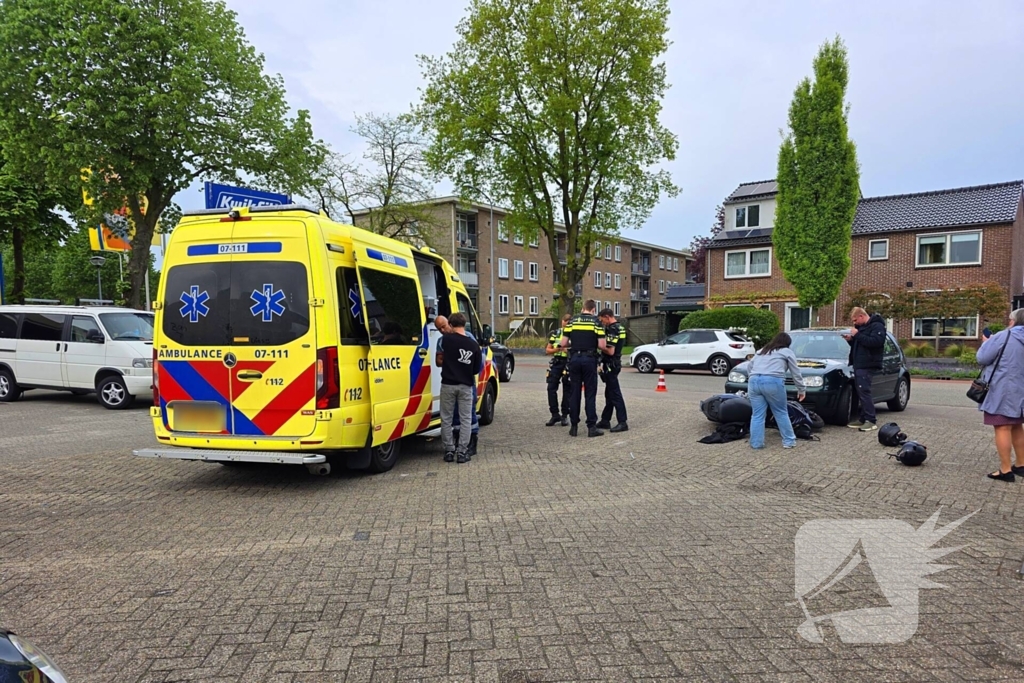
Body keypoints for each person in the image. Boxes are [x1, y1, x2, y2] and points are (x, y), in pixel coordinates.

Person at [977, 308, 1024, 482]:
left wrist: (986, 342)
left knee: (1002, 426)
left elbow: (982, 358)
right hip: (1021, 390)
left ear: (1013, 320)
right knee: (1017, 425)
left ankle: (1005, 470)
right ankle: (1021, 464)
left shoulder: (1004, 336)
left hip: (1002, 389)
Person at [435, 312, 481, 463]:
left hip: (448, 383)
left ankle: (449, 450)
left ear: (451, 324)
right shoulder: (473, 343)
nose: (442, 330)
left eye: (444, 326)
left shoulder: (444, 340)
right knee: (465, 418)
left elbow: (439, 360)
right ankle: (462, 452)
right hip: (466, 384)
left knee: (446, 418)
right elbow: (476, 368)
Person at [747, 332, 806, 450]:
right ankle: (789, 441)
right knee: (780, 412)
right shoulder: (787, 352)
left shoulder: (762, 350)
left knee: (757, 415)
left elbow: (749, 366)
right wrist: (801, 389)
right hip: (772, 381)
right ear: (787, 344)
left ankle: (756, 444)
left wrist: (752, 379)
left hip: (753, 381)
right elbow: (796, 372)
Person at [559, 300, 607, 437]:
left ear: (582, 308)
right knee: (590, 393)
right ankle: (591, 427)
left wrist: (574, 344)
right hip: (589, 359)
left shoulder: (572, 322)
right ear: (593, 309)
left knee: (574, 392)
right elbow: (602, 345)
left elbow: (563, 343)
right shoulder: (596, 322)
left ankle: (573, 426)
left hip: (574, 359)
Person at [843, 306, 886, 432]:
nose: (854, 323)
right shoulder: (862, 328)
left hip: (868, 363)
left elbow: (876, 342)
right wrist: (851, 340)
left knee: (864, 391)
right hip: (859, 363)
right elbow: (861, 344)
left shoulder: (877, 326)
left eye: (855, 320)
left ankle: (871, 420)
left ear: (862, 316)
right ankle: (862, 418)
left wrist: (857, 335)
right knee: (860, 391)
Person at [596, 308, 628, 433]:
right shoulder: (620, 327)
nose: (602, 322)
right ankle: (605, 420)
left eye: (602, 319)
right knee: (609, 394)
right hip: (615, 363)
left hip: (611, 364)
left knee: (615, 394)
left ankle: (622, 422)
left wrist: (598, 345)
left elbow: (610, 350)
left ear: (607, 316)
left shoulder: (613, 329)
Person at [544, 314, 572, 426]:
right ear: (562, 321)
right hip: (557, 362)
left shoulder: (574, 334)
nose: (566, 323)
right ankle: (555, 414)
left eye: (569, 321)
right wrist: (558, 349)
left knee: (567, 390)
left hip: (568, 363)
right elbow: (547, 350)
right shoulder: (556, 333)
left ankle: (565, 415)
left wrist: (568, 351)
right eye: (565, 321)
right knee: (551, 388)